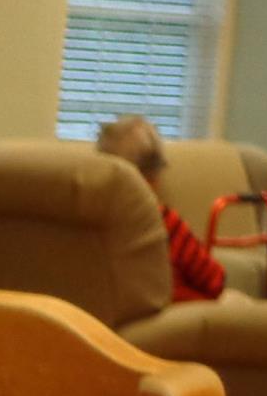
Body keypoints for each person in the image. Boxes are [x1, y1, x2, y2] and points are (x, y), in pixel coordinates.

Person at [96, 114, 228, 302]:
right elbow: (215, 280)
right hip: (176, 311)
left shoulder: (93, 222)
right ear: (153, 176)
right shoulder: (165, 223)